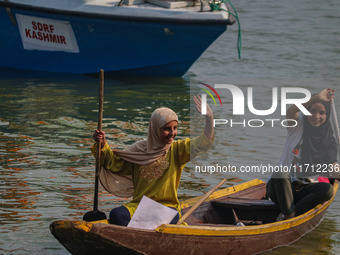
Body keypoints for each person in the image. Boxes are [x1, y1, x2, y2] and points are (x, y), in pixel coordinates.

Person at [91, 96, 214, 226]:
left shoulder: (178, 150)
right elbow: (113, 163)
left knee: (170, 217)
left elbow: (203, 143)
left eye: (175, 128)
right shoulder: (139, 150)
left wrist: (209, 118)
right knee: (117, 215)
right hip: (139, 206)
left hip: (166, 207)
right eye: (167, 129)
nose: (172, 133)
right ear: (155, 129)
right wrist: (102, 143)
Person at [266, 88, 340, 221]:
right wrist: (317, 98)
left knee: (327, 189)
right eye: (312, 111)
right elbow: (291, 110)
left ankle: (289, 215)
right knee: (281, 172)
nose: (316, 116)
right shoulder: (298, 125)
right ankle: (289, 215)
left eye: (322, 113)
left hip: (306, 192)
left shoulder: (329, 141)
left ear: (327, 115)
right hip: (281, 188)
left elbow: (332, 167)